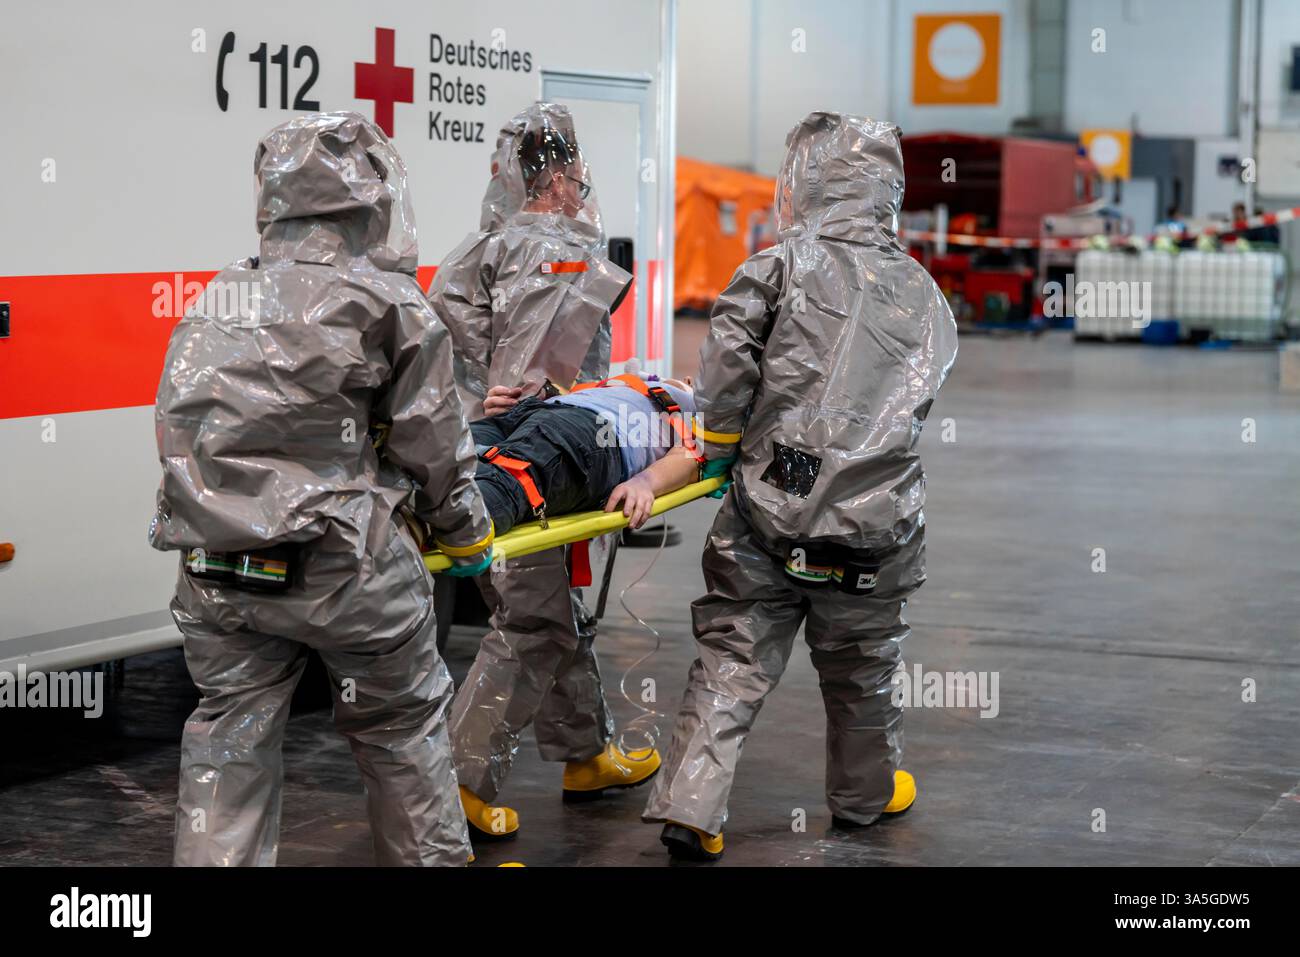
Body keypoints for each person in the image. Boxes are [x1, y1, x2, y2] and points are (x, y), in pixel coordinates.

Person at [150, 113, 492, 867]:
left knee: (229, 736)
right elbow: (434, 443)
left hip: (218, 568)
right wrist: (467, 536)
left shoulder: (215, 298)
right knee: (400, 728)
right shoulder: (389, 303)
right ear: (371, 197)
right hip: (345, 568)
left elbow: (179, 430)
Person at [642, 112, 959, 861]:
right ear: (888, 188)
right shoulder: (921, 290)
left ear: (806, 182)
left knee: (733, 655)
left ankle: (692, 803)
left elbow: (725, 364)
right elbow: (920, 390)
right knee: (862, 669)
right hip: (875, 525)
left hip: (770, 508)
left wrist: (720, 443)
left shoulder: (776, 267)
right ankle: (864, 796)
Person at [427, 102, 656, 843]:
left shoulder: (480, 247)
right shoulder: (555, 249)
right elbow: (538, 375)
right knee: (533, 621)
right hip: (536, 464)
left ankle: (586, 754)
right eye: (578, 168)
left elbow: (436, 353)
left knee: (555, 616)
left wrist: (472, 408)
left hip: (482, 453)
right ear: (559, 175)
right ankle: (461, 779)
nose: (585, 181)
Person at [471, 376, 700, 536]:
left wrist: (645, 483)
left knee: (510, 482)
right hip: (537, 412)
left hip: (597, 431)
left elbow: (690, 456)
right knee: (447, 456)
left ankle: (457, 520)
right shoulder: (629, 383)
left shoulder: (700, 407)